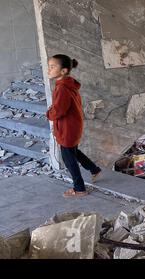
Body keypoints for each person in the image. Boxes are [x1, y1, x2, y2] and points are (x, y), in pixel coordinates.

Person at [46, 54, 102, 198]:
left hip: (68, 127)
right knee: (73, 152)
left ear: (63, 71)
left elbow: (59, 110)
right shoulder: (67, 84)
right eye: (49, 66)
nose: (49, 69)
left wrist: (49, 114)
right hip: (72, 125)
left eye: (52, 67)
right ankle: (94, 169)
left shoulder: (62, 88)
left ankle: (79, 188)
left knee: (68, 157)